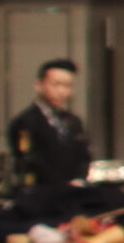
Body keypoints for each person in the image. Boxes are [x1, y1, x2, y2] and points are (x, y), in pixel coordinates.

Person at [7, 58, 91, 187]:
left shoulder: (74, 121)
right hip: (40, 190)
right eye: (56, 84)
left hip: (73, 191)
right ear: (39, 85)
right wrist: (58, 184)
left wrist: (79, 179)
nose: (62, 91)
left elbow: (84, 156)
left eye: (68, 85)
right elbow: (27, 158)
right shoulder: (26, 121)